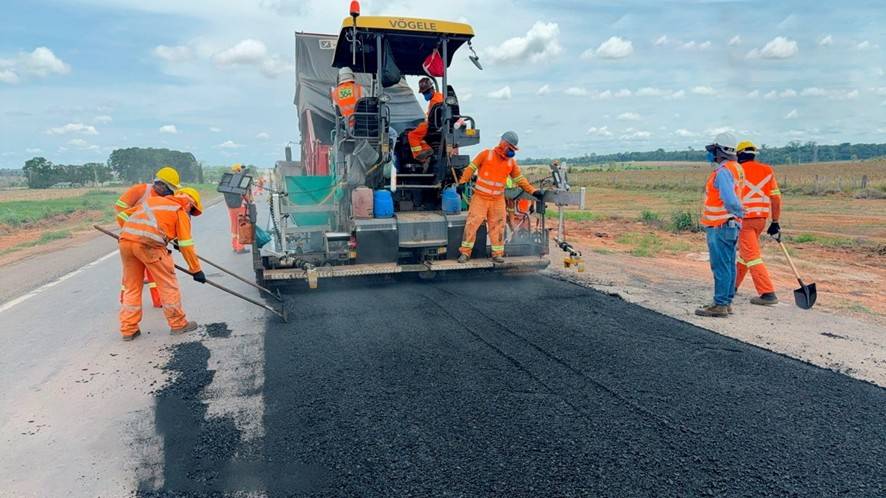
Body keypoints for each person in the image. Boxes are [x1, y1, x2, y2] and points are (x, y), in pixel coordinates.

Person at [118, 187, 204, 341]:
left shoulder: (153, 201)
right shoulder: (179, 210)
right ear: (189, 203)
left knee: (132, 287)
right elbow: (186, 245)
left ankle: (128, 329)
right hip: (149, 247)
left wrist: (135, 234)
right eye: (192, 210)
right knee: (167, 285)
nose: (190, 213)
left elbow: (123, 215)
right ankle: (178, 324)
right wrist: (196, 269)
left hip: (125, 242)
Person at [457, 131, 542, 264]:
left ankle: (497, 254)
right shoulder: (486, 155)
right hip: (480, 198)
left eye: (514, 149)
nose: (512, 152)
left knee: (498, 226)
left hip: (497, 200)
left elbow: (520, 179)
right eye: (510, 148)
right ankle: (465, 253)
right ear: (503, 143)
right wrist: (462, 182)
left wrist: (533, 191)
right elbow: (471, 168)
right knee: (472, 224)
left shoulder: (511, 163)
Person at [114, 166, 182, 309]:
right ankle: (125, 300)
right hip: (134, 237)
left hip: (152, 241)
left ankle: (159, 301)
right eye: (169, 189)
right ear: (160, 184)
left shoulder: (164, 197)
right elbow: (120, 209)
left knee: (154, 272)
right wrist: (131, 230)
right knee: (131, 275)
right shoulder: (141, 190)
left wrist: (174, 240)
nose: (171, 193)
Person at [696, 132, 745, 318]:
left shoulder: (723, 172)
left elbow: (729, 199)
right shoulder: (737, 168)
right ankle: (727, 301)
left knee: (721, 266)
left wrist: (738, 212)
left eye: (714, 150)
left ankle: (720, 304)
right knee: (729, 265)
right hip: (731, 225)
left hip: (720, 225)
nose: (711, 154)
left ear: (721, 151)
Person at [735, 141, 782, 305]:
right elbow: (776, 198)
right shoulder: (767, 170)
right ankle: (732, 286)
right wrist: (775, 221)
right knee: (745, 254)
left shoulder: (737, 171)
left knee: (752, 256)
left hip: (744, 220)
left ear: (739, 155)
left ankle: (767, 293)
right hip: (761, 220)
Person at [406, 77, 444, 163]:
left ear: (432, 89)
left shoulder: (435, 100)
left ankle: (419, 155)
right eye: (423, 93)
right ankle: (427, 149)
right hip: (438, 124)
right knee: (421, 136)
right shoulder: (439, 96)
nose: (425, 95)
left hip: (432, 125)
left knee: (412, 135)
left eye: (426, 92)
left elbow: (433, 116)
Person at [224, 163, 251, 254]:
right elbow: (244, 193)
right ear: (239, 170)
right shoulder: (239, 180)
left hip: (231, 208)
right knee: (241, 226)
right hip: (239, 207)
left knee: (234, 226)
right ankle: (240, 248)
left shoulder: (227, 181)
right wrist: (249, 201)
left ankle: (235, 246)